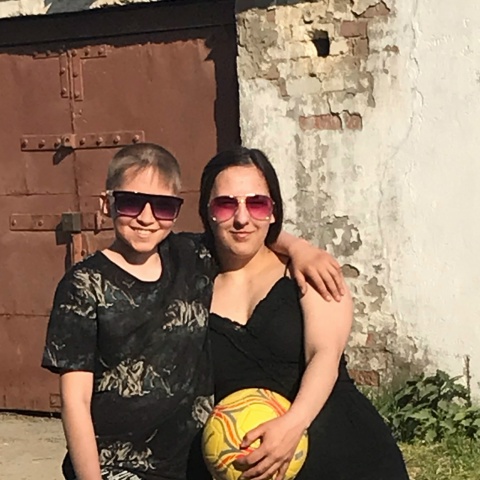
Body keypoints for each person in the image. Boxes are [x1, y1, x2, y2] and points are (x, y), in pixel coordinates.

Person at [41, 143, 344, 480]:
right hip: (117, 467)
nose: (146, 217)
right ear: (106, 203)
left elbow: (244, 229)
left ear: (176, 210)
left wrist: (300, 248)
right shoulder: (83, 285)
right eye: (130, 202)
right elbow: (75, 401)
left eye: (163, 206)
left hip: (193, 465)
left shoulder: (190, 256)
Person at [198, 147, 410, 480]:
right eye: (226, 204)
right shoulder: (189, 278)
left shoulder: (308, 273)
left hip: (345, 454)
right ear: (208, 211)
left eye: (257, 203)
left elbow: (324, 355)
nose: (241, 218)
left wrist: (293, 425)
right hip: (255, 465)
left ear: (273, 211)